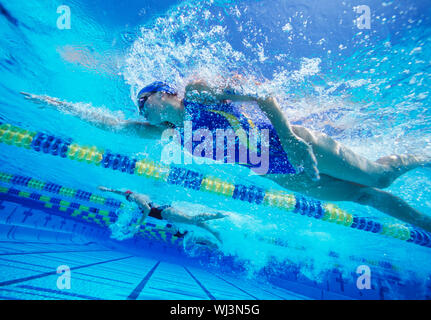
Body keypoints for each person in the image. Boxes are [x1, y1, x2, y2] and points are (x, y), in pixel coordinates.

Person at [21, 79, 431, 232]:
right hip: (277, 173)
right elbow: (109, 124)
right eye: (138, 108)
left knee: (378, 178)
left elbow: (263, 95)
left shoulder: (198, 90)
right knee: (363, 198)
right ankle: (426, 225)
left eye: (142, 102)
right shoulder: (169, 132)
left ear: (165, 92)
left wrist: (289, 137)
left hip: (295, 143)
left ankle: (423, 154)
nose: (139, 110)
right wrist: (56, 104)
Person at [98, 186, 227, 242]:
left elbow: (147, 209)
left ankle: (217, 215)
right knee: (193, 223)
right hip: (166, 214)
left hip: (165, 212)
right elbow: (121, 193)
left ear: (130, 195)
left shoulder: (137, 198)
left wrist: (139, 224)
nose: (128, 199)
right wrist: (108, 190)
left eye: (127, 197)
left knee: (191, 219)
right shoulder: (132, 196)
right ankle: (213, 231)